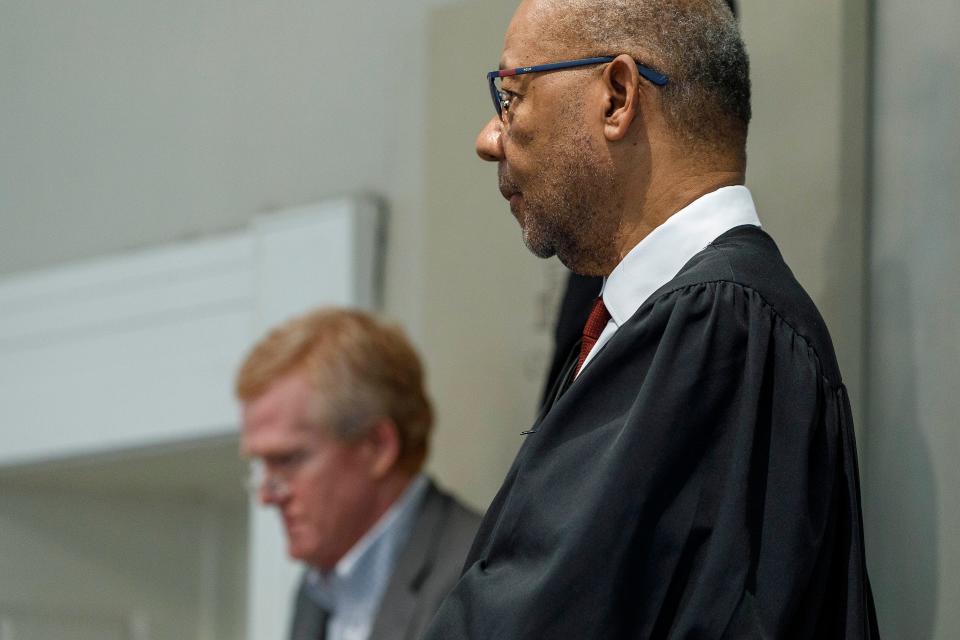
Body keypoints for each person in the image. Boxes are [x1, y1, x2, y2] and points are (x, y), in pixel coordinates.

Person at [423, 0, 879, 638]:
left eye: (513, 94)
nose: (489, 137)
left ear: (616, 96)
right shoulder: (698, 324)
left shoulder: (715, 328)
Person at [236, 308, 481, 640]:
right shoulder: (316, 592)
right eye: (262, 466)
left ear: (377, 446)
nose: (267, 495)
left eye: (288, 460)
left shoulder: (481, 572)